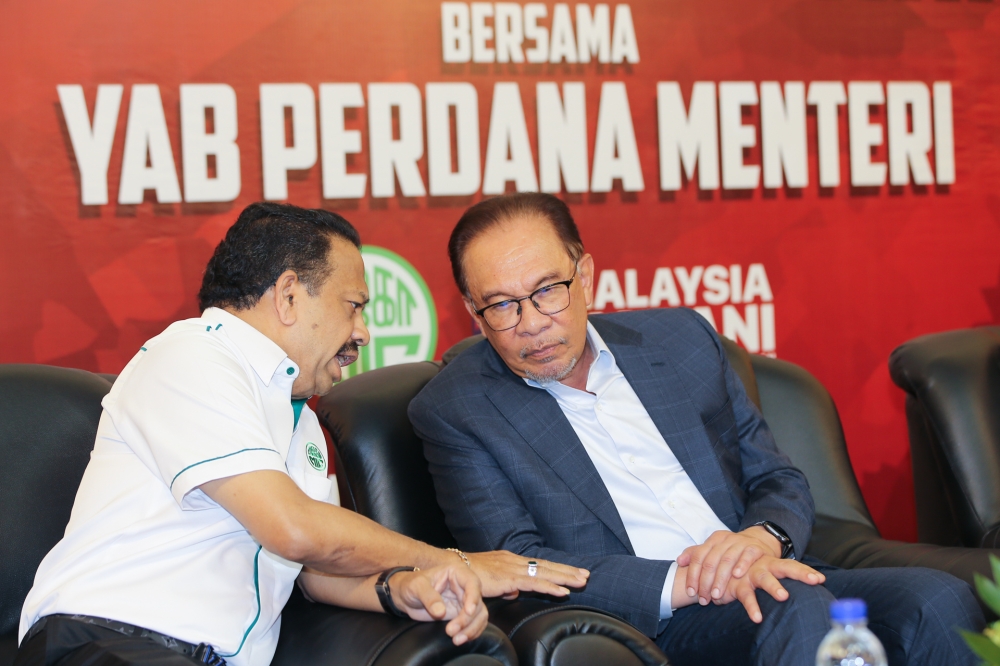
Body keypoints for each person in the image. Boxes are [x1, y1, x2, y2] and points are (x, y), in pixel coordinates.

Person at [408, 192, 984, 666]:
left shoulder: (680, 340)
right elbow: (517, 560)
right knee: (787, 605)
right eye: (501, 306)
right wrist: (687, 582)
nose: (531, 324)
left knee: (939, 598)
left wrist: (759, 540)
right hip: (648, 620)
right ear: (472, 311)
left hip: (764, 571)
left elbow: (777, 477)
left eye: (546, 291)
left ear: (584, 274)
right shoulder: (458, 409)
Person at [16, 202, 588, 666]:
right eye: (354, 306)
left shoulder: (300, 420)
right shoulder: (191, 354)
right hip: (105, 643)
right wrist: (453, 559)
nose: (363, 332)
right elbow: (293, 529)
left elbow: (313, 576)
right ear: (289, 295)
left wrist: (402, 588)